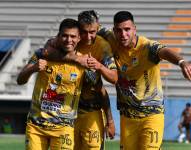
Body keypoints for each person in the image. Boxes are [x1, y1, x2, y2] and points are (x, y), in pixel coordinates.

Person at [98, 11, 191, 150]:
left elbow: (164, 51)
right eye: (119, 30)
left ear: (134, 29)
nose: (123, 34)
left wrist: (181, 62)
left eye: (127, 29)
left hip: (152, 115)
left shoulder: (147, 47)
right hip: (127, 117)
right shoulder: (110, 38)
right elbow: (91, 27)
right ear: (114, 31)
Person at [38, 10, 117, 150]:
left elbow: (113, 78)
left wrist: (110, 121)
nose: (88, 36)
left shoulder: (103, 46)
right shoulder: (71, 39)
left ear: (98, 28)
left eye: (92, 32)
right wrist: (77, 59)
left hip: (92, 110)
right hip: (67, 112)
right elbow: (46, 51)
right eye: (84, 32)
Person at [17, 18, 85, 150]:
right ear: (58, 36)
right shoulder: (42, 54)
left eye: (72, 36)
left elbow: (97, 87)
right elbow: (20, 80)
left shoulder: (83, 62)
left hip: (63, 128)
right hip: (36, 126)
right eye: (65, 35)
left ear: (79, 39)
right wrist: (33, 68)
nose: (68, 40)